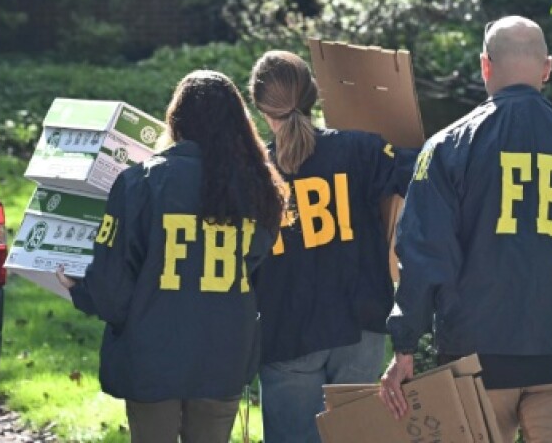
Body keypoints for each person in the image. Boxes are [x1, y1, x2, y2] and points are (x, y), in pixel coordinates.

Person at [379, 16, 552, 443]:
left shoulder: (448, 147)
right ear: (547, 69)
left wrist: (405, 344)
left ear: (485, 66)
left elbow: (423, 253)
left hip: (479, 359)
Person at [55, 70, 288, 443]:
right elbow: (257, 269)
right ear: (238, 124)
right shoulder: (259, 187)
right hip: (224, 355)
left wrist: (81, 290)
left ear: (175, 121)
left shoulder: (140, 182)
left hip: (153, 358)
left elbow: (112, 290)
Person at [248, 50, 416, 443]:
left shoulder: (253, 173)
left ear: (260, 108)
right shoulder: (360, 150)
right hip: (360, 324)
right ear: (313, 95)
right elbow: (422, 174)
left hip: (287, 331)